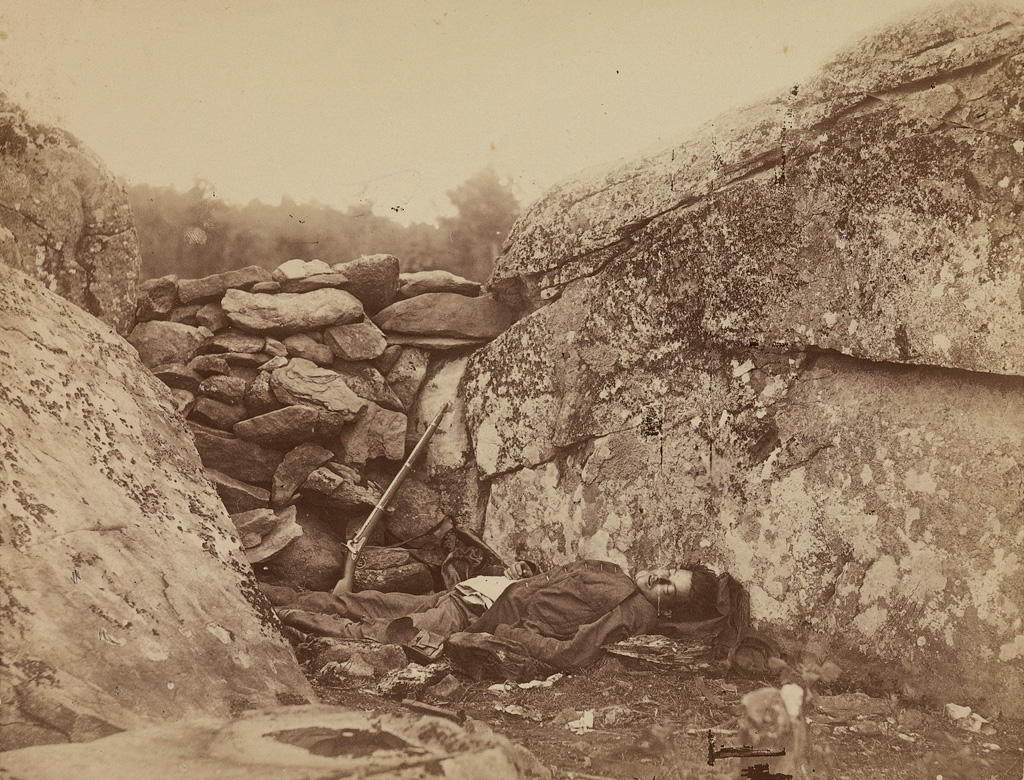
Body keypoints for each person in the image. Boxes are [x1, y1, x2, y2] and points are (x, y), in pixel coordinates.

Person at [263, 558, 744, 672]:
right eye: (669, 570)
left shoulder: (631, 609)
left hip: (477, 620)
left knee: (371, 629)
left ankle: (275, 613)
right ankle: (257, 589)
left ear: (667, 607)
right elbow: (561, 585)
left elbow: (574, 654)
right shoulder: (618, 572)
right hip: (479, 591)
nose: (658, 577)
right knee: (364, 599)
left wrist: (517, 633)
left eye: (668, 588)